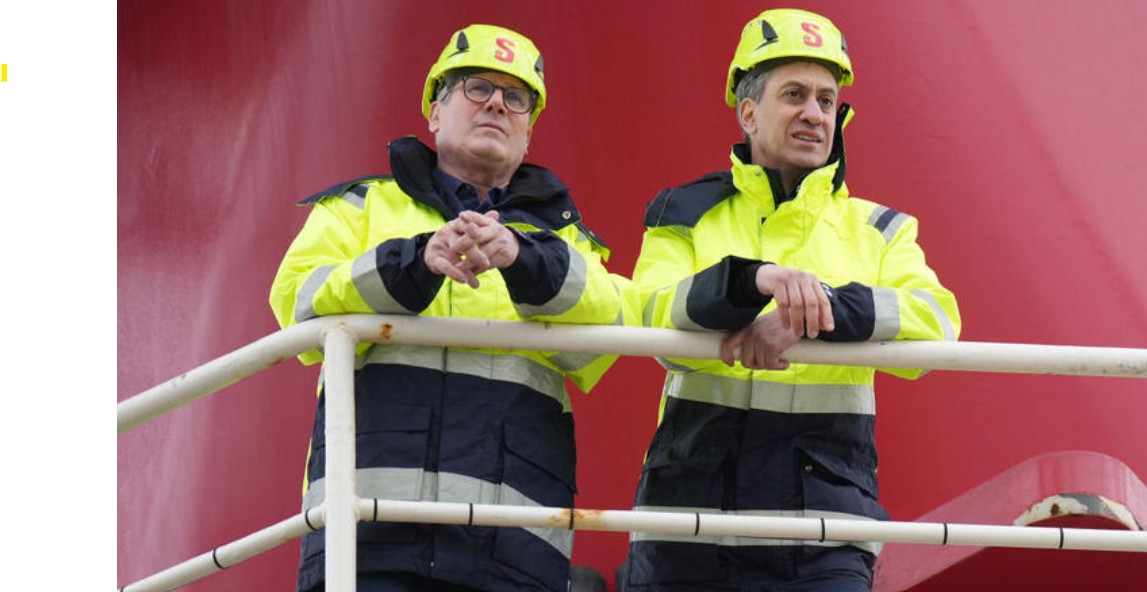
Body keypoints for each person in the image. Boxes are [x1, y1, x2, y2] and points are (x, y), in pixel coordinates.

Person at [269, 24, 628, 592]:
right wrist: (415, 261)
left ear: (529, 131)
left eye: (517, 99)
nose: (497, 106)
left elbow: (610, 332)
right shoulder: (358, 208)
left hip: (512, 550)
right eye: (477, 88)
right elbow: (297, 301)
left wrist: (524, 257)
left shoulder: (566, 239)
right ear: (435, 111)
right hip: (369, 538)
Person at [624, 8, 961, 591]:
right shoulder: (681, 215)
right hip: (687, 527)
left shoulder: (882, 229)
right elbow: (650, 314)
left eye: (827, 101)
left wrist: (815, 313)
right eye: (795, 95)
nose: (814, 113)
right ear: (748, 112)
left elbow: (936, 324)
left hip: (824, 536)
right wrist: (749, 280)